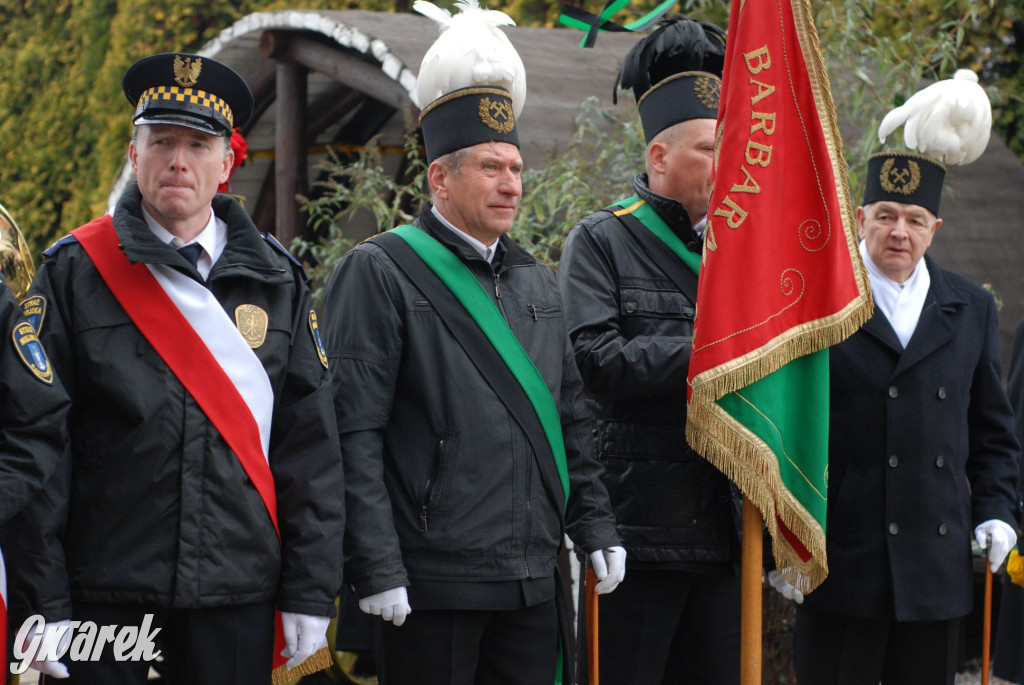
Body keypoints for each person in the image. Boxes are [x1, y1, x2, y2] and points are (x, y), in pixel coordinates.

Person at [2, 52, 345, 683]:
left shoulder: (278, 282)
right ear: (135, 157)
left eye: (196, 145)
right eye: (161, 142)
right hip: (103, 598)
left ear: (226, 165)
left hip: (238, 596)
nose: (178, 161)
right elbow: (35, 443)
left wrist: (309, 587)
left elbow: (311, 449)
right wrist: (40, 601)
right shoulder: (74, 271)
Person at [321, 5, 624, 683]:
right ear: (439, 177)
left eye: (515, 166)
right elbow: (352, 433)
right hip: (430, 587)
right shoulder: (379, 271)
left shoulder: (537, 279)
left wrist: (596, 525)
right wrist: (374, 566)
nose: (511, 183)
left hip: (531, 581)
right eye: (490, 167)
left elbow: (571, 418)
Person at [791, 126, 1020, 681]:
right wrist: (786, 538)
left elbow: (993, 431)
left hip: (933, 565)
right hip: (842, 558)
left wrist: (997, 509)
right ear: (859, 216)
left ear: (934, 228)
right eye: (886, 215)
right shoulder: (819, 301)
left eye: (915, 220)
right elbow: (789, 428)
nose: (899, 232)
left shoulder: (970, 307)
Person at [556, 17, 739, 685]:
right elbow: (594, 362)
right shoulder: (602, 240)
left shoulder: (744, 252)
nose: (728, 166)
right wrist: (715, 349)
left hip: (728, 530)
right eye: (710, 149)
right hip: (640, 531)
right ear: (659, 157)